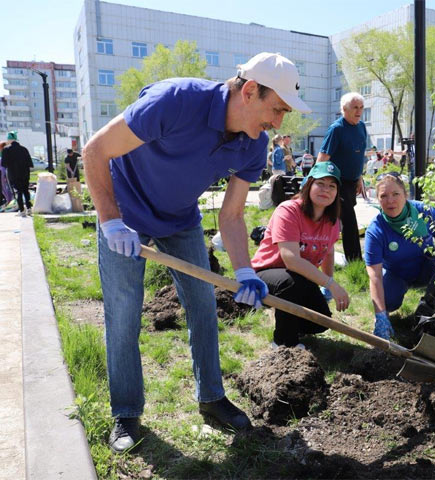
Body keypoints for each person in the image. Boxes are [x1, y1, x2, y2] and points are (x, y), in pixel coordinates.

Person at [82, 52, 309, 453]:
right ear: (250, 90)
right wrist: (111, 221)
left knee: (204, 305)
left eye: (284, 114)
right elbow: (96, 150)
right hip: (126, 213)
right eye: (276, 109)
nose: (278, 123)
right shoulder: (175, 101)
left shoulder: (253, 145)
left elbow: (233, 214)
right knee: (123, 314)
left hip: (180, 219)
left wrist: (244, 271)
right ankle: (127, 412)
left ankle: (212, 397)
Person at [252, 161, 349, 347]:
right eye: (320, 183)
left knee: (320, 321)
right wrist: (332, 285)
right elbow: (291, 260)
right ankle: (283, 343)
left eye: (332, 186)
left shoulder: (332, 221)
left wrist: (326, 287)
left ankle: (287, 318)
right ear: (308, 184)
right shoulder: (289, 210)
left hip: (301, 279)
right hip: (265, 273)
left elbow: (328, 253)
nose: (325, 190)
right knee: (292, 283)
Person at [364, 173, 435, 339]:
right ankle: (386, 314)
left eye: (396, 194)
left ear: (406, 195)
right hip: (398, 273)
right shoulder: (376, 230)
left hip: (427, 268)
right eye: (384, 196)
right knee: (388, 301)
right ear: (378, 200)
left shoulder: (425, 212)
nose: (390, 201)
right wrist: (380, 315)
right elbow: (374, 276)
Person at [316, 92, 368, 261]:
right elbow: (323, 157)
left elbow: (358, 154)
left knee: (333, 217)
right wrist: (315, 182)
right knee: (350, 220)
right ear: (344, 109)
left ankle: (319, 247)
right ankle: (355, 261)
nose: (359, 111)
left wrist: (359, 178)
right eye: (355, 107)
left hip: (352, 182)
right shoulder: (337, 129)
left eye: (361, 107)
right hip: (336, 182)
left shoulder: (361, 127)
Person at [1, 131, 33, 217]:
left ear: (9, 139)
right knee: (26, 191)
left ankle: (22, 210)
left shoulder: (6, 150)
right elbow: (30, 164)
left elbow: (4, 164)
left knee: (18, 192)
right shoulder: (24, 149)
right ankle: (29, 209)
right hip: (25, 173)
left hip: (13, 174)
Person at [0, 141, 14, 209]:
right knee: (6, 187)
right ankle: (9, 200)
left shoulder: (4, 152)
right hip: (5, 171)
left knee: (5, 187)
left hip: (3, 171)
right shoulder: (7, 151)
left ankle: (9, 200)